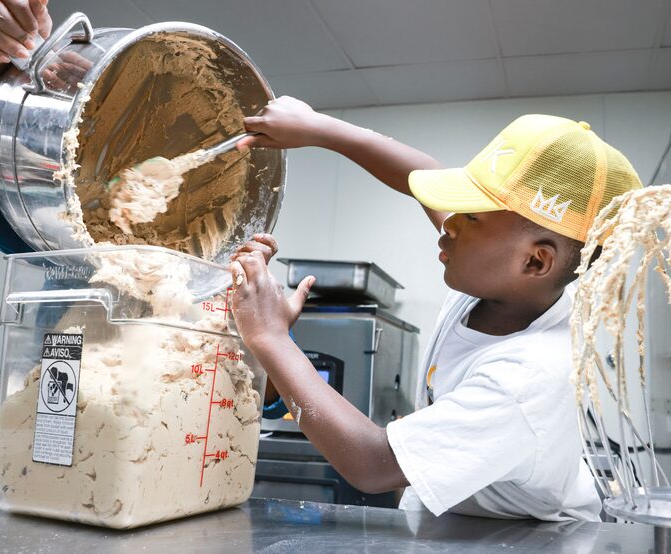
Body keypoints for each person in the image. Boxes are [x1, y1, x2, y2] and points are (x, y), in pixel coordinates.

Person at [229, 96, 642, 521]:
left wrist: (270, 335)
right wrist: (319, 128)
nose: (451, 223)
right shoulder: (505, 287)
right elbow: (421, 171)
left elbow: (373, 465)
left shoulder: (527, 378)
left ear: (536, 261)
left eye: (474, 216)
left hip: (524, 538)